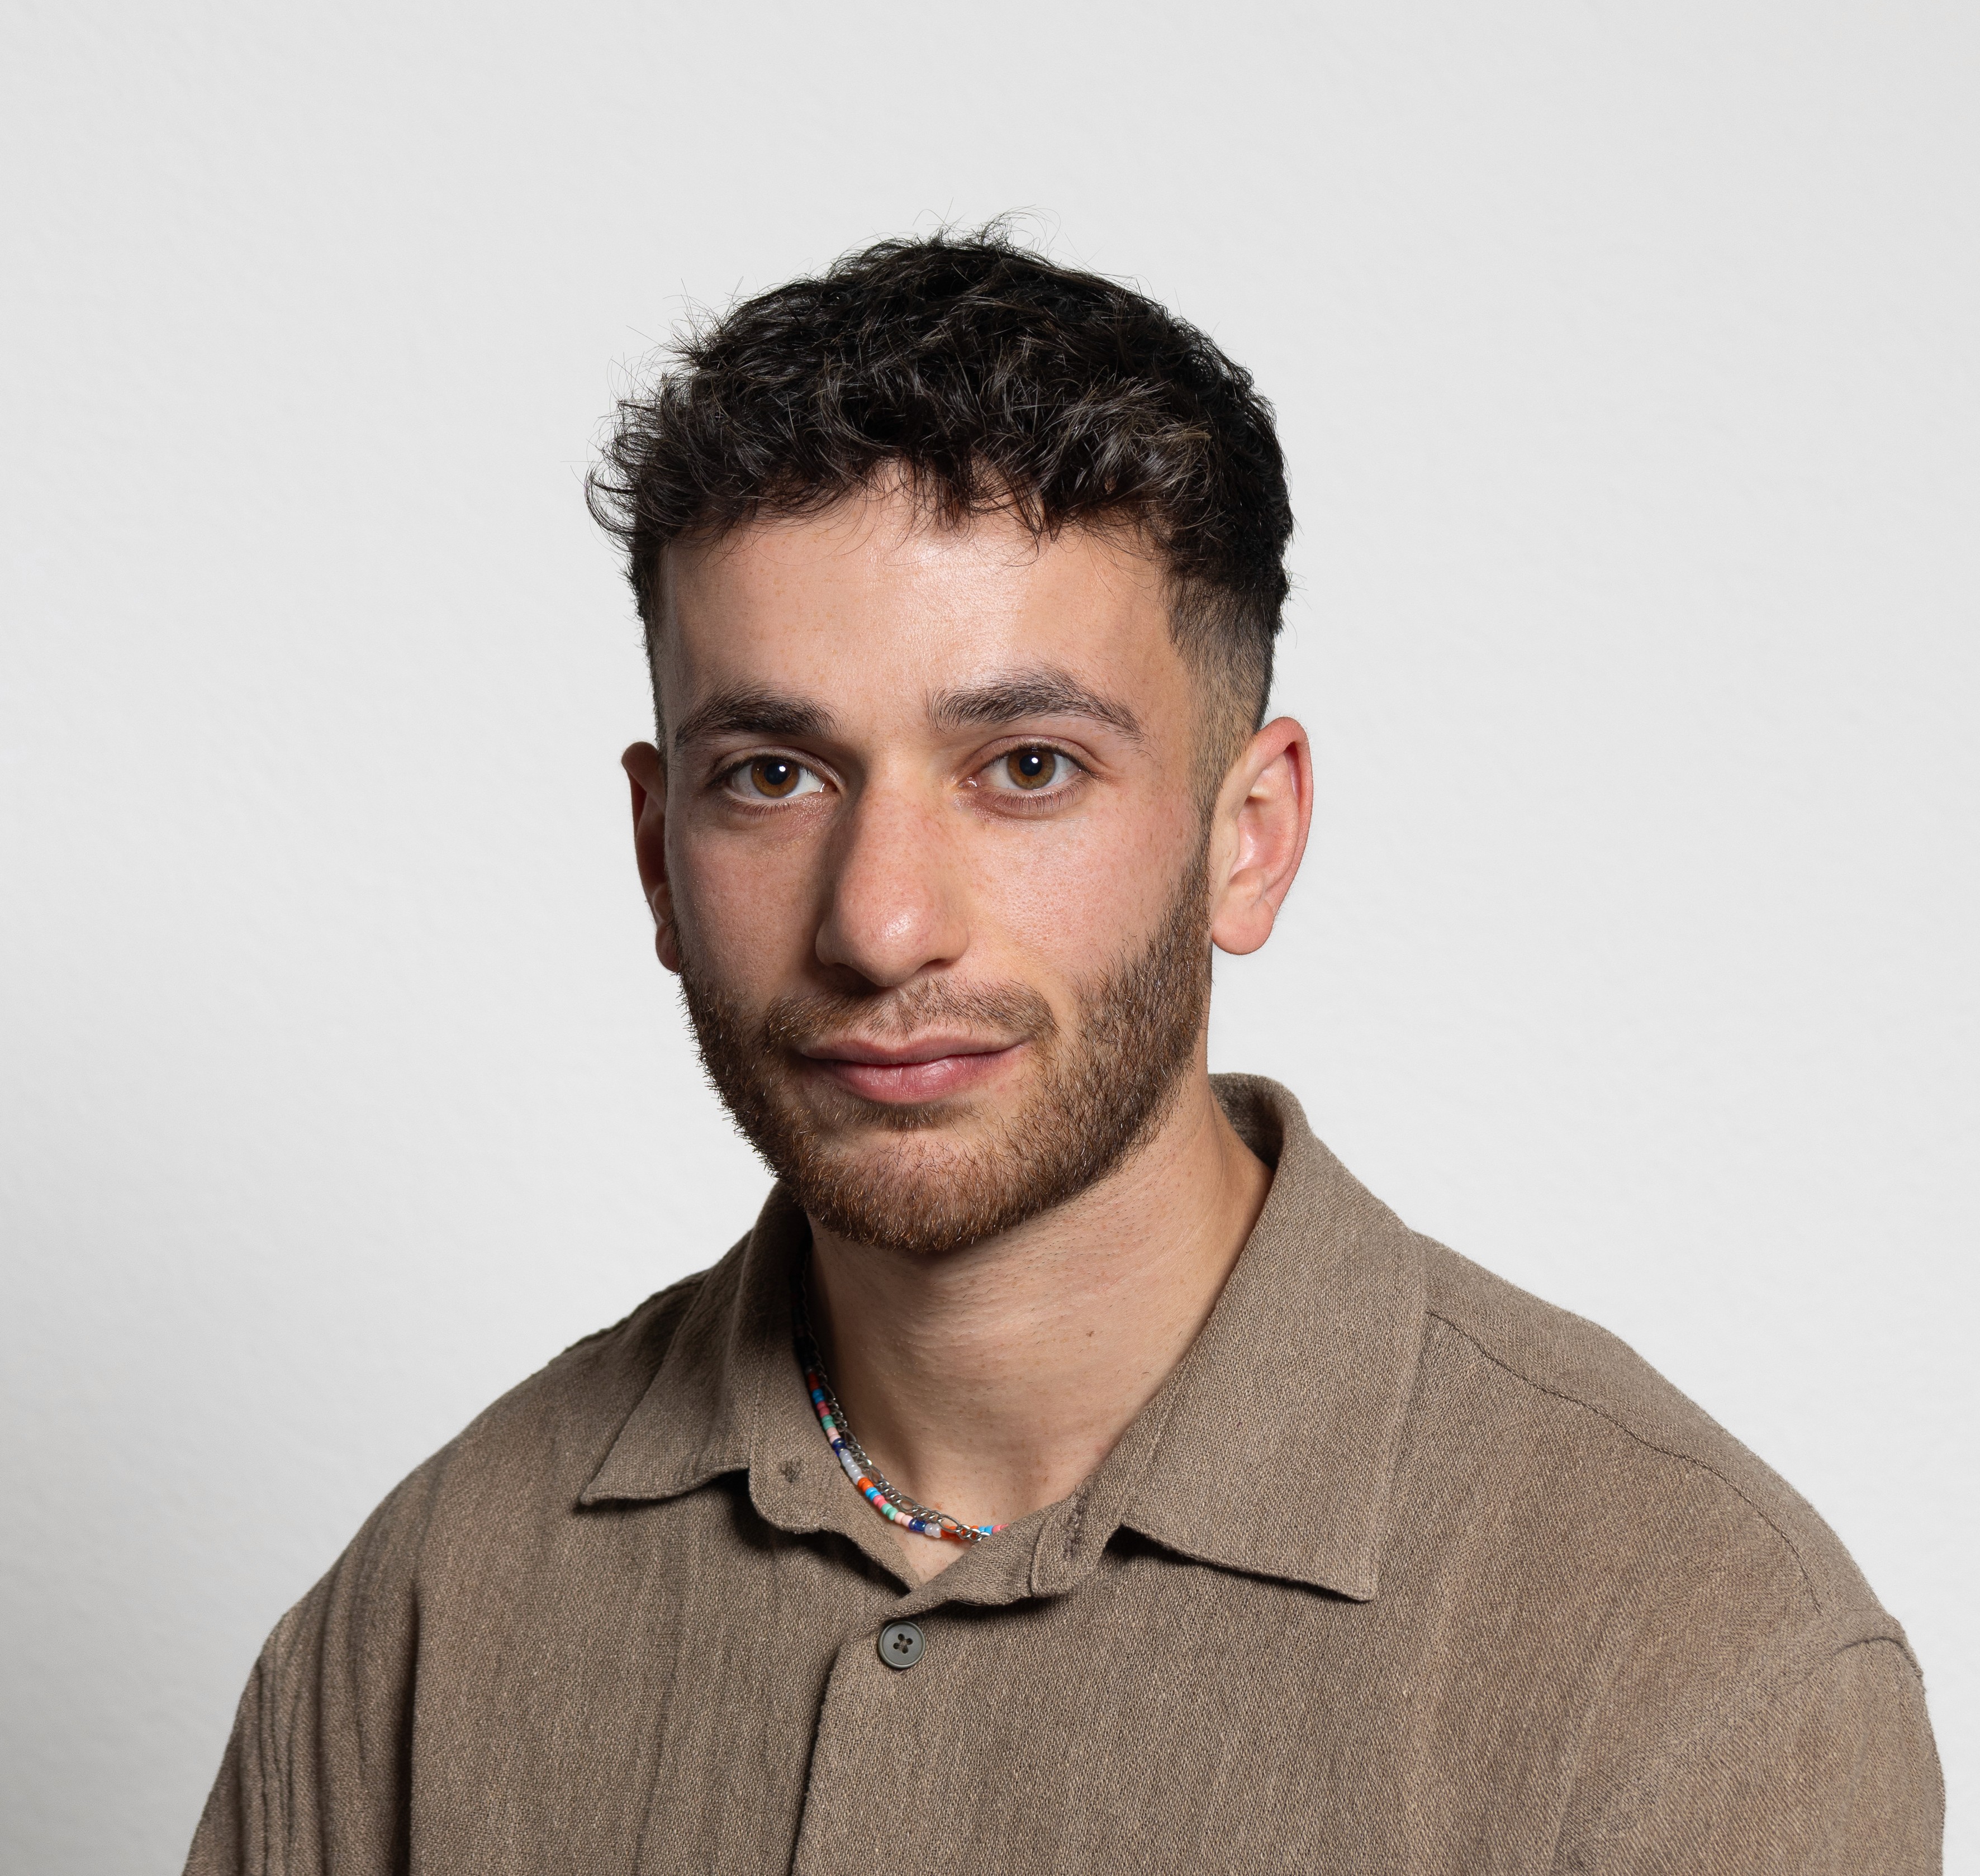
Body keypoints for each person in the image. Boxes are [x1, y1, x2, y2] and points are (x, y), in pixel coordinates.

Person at [186, 229, 1943, 1874]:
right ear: (659, 853)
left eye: (1027, 766)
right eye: (773, 775)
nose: (882, 925)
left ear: (1247, 837)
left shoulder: (1694, 1656)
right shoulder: (431, 1612)